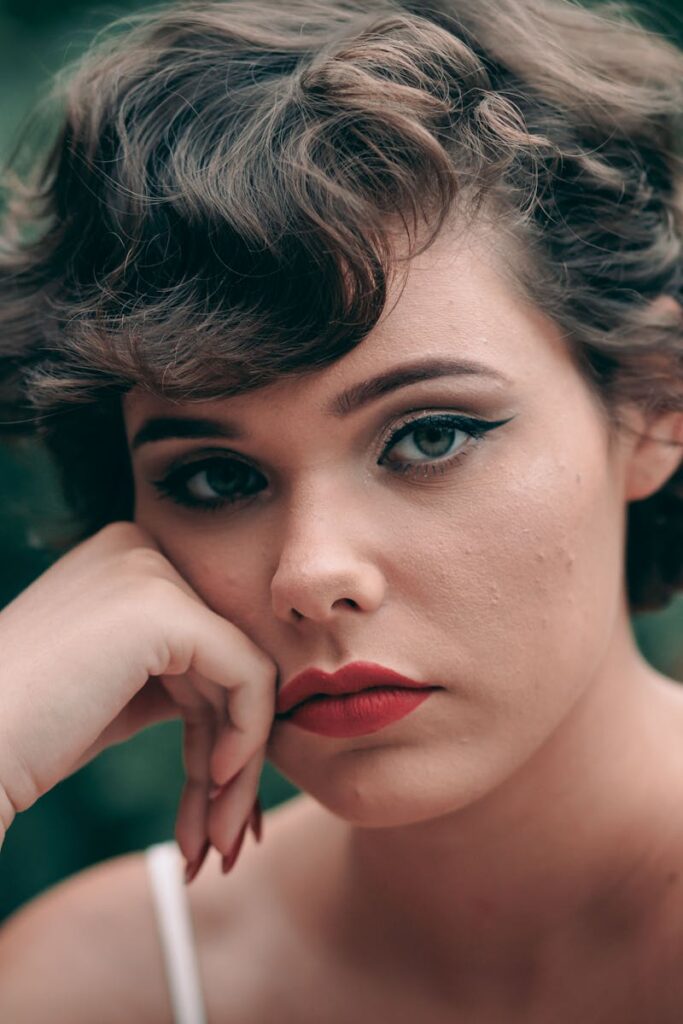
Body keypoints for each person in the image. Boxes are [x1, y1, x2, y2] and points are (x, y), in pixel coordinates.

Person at [0, 0, 682, 1019]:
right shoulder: (97, 986)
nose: (310, 575)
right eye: (218, 480)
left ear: (652, 402)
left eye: (429, 434)